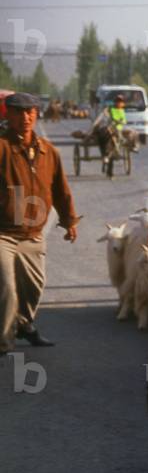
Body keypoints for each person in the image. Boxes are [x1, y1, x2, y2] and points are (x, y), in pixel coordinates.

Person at [0, 92, 79, 354]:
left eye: (30, 112)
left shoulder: (48, 151)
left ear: (36, 114)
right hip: (3, 233)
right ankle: (4, 343)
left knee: (34, 286)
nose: (25, 117)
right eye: (19, 112)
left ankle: (24, 325)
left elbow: (61, 190)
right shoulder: (2, 147)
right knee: (7, 288)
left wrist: (69, 221)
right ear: (8, 115)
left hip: (33, 233)